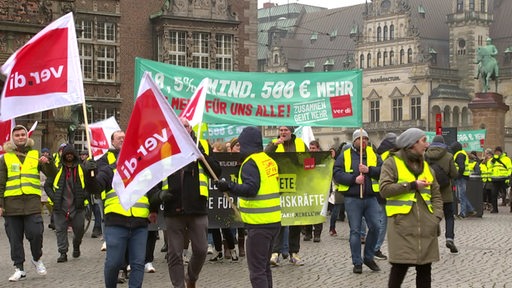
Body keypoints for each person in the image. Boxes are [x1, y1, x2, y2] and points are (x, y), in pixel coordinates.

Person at [86, 139, 160, 288]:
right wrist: (89, 174)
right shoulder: (108, 171)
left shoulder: (143, 171)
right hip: (116, 223)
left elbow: (153, 193)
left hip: (140, 223)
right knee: (114, 263)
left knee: (138, 263)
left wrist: (159, 199)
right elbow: (95, 189)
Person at [217, 126, 281, 288]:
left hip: (259, 224)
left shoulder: (250, 163)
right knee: (264, 267)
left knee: (257, 271)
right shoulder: (268, 160)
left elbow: (251, 189)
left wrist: (229, 186)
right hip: (273, 221)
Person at [379, 128, 444, 288]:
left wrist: (436, 217)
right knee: (399, 267)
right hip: (402, 225)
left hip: (426, 226)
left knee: (425, 269)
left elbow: (436, 195)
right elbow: (384, 190)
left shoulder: (427, 167)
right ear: (412, 144)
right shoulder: (392, 163)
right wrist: (411, 185)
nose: (427, 145)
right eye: (423, 140)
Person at [161, 117, 221, 288]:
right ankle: (179, 286)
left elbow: (216, 171)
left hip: (197, 208)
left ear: (191, 128)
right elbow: (156, 176)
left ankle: (191, 278)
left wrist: (201, 152)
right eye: (179, 125)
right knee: (174, 254)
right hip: (173, 208)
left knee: (202, 250)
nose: (183, 128)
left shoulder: (200, 144)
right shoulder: (165, 146)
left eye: (186, 125)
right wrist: (157, 198)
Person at [0, 125, 56, 281]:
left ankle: (36, 259)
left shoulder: (35, 155)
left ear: (27, 136)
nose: (20, 137)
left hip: (32, 204)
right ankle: (19, 268)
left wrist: (48, 162)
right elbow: (1, 183)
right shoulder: (5, 158)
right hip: (11, 206)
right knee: (14, 239)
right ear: (13, 138)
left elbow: (53, 174)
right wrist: (0, 205)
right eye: (17, 135)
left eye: (22, 134)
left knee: (36, 233)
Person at [332, 129, 382, 274]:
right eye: (361, 139)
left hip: (371, 197)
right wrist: (354, 179)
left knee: (376, 227)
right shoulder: (345, 155)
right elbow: (337, 173)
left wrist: (369, 170)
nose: (364, 141)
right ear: (354, 141)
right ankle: (357, 262)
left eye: (366, 139)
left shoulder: (373, 154)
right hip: (353, 198)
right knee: (355, 231)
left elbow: (383, 170)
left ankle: (368, 256)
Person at [44, 144, 94, 263]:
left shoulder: (82, 169)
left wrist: (84, 195)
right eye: (67, 155)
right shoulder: (57, 169)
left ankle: (76, 246)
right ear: (64, 156)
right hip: (60, 207)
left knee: (79, 230)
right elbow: (47, 186)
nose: (69, 156)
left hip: (78, 207)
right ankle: (63, 252)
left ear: (75, 156)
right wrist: (54, 197)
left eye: (71, 154)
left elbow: (90, 185)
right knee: (60, 231)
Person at [265, 126, 307, 266]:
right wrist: (273, 145)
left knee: (295, 221)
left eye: (285, 130)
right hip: (278, 187)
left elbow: (309, 159)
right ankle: (274, 253)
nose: (283, 133)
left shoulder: (300, 143)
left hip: (296, 186)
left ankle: (294, 253)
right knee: (278, 221)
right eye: (281, 130)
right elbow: (264, 157)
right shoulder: (273, 143)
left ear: (291, 131)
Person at [425, 135, 459, 254]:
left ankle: (429, 242)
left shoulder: (425, 155)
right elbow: (454, 174)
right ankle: (449, 238)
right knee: (449, 216)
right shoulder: (448, 156)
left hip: (430, 192)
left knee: (432, 217)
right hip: (446, 192)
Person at [374, 132, 398, 260]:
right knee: (383, 222)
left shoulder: (379, 153)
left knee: (381, 221)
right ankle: (375, 248)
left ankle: (375, 247)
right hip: (384, 191)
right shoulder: (388, 155)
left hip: (378, 190)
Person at [303, 140, 323, 242]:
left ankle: (317, 234)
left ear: (318, 149)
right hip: (308, 188)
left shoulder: (322, 159)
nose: (312, 150)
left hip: (319, 188)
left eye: (314, 148)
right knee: (308, 211)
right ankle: (308, 233)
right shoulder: (307, 159)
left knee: (318, 212)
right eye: (310, 148)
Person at [451, 141, 477, 218]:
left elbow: (461, 167)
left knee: (461, 196)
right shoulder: (461, 153)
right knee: (461, 195)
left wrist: (457, 175)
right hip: (463, 177)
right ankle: (471, 210)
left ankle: (463, 213)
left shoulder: (459, 155)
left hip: (461, 177)